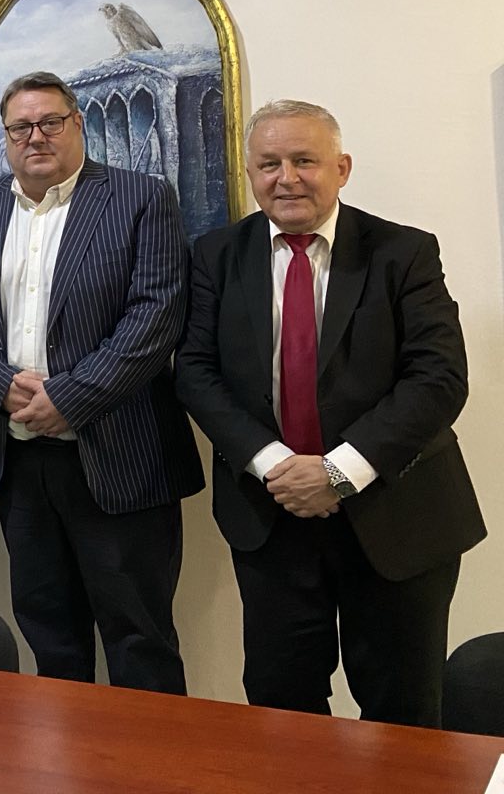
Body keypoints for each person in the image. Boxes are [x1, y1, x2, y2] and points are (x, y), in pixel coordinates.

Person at [176, 99, 484, 727]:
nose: (286, 177)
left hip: (397, 514)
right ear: (250, 172)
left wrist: (339, 472)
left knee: (403, 714)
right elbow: (197, 373)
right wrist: (275, 465)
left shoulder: (403, 252)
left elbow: (438, 377)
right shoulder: (215, 255)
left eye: (304, 160)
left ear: (341, 168)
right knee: (281, 707)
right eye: (269, 164)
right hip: (273, 515)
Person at [0, 71, 203, 692]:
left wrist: (71, 398)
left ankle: (148, 753)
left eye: (50, 122)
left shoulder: (141, 197)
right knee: (49, 633)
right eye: (20, 127)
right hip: (19, 459)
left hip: (121, 455)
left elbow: (157, 312)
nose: (36, 137)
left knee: (140, 639)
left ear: (77, 124)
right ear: (6, 137)